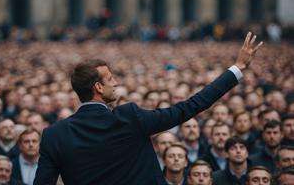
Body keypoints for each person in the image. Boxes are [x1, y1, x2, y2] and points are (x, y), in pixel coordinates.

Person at [34, 32, 263, 184]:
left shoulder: (54, 135)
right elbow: (190, 106)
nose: (115, 83)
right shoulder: (130, 117)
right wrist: (238, 67)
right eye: (111, 79)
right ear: (98, 87)